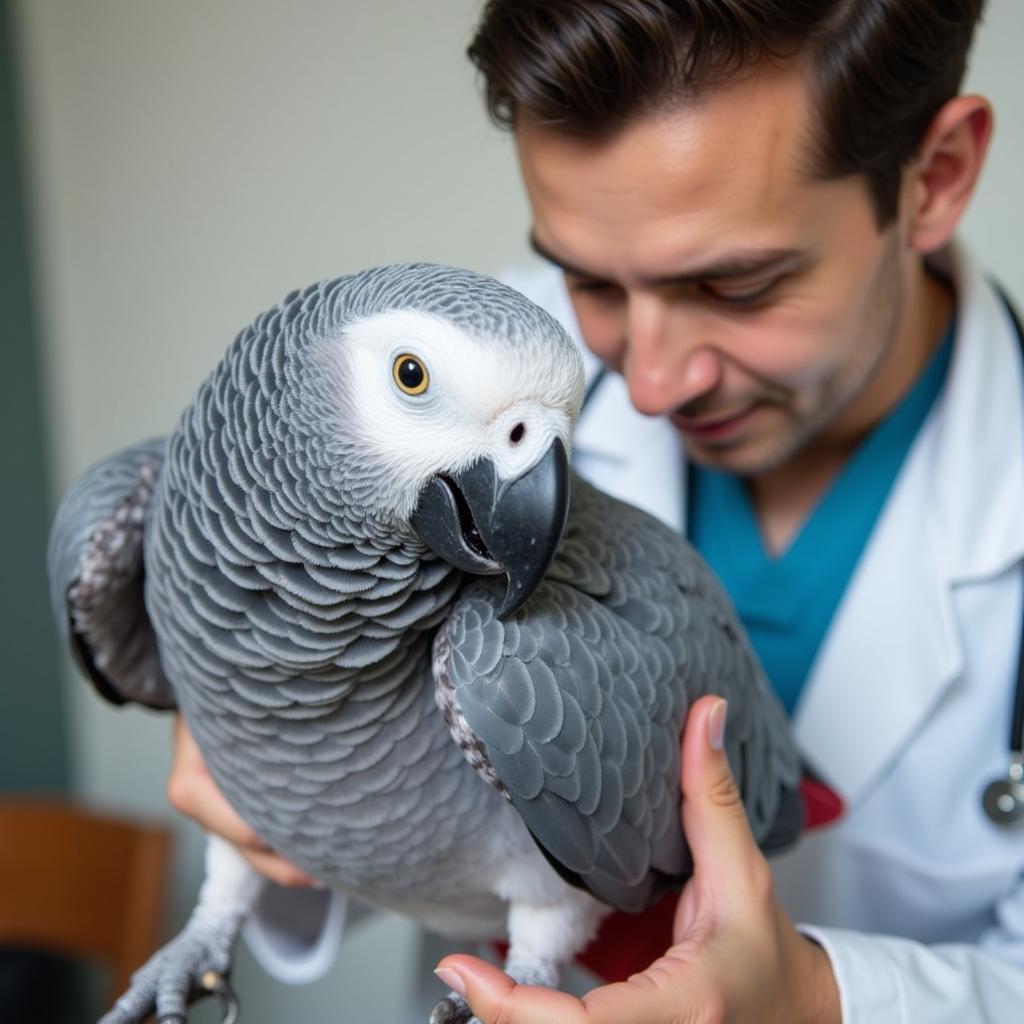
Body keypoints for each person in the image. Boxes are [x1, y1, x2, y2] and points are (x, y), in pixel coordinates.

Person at [169, 1, 1024, 1020]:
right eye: (588, 280)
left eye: (738, 284)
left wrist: (821, 999)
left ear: (934, 179)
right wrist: (275, 733)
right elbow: (432, 811)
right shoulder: (459, 388)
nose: (652, 382)